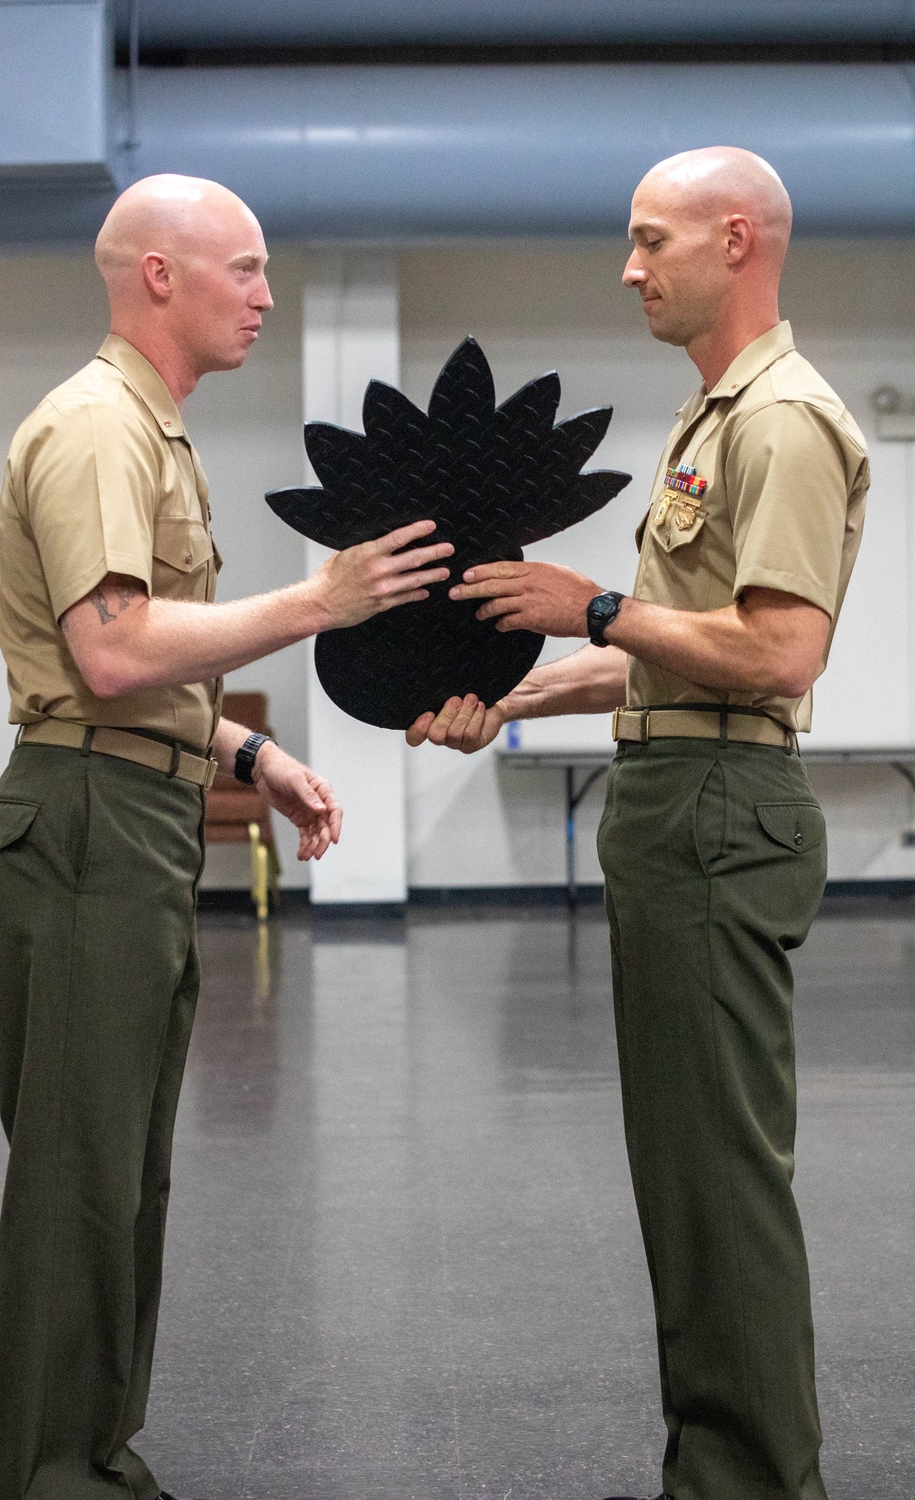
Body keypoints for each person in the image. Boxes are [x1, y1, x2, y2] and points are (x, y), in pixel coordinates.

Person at [0, 173, 453, 1500]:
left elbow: (137, 670)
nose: (266, 293)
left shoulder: (152, 434)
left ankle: (94, 1457)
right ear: (159, 276)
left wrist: (247, 752)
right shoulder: (94, 429)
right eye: (243, 268)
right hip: (81, 822)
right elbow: (112, 651)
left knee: (124, 1176)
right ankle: (51, 1474)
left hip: (130, 805)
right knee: (80, 1181)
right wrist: (321, 601)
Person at [408, 148, 869, 1500]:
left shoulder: (780, 419)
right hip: (680, 796)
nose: (628, 267)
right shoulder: (713, 416)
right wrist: (519, 694)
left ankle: (755, 1483)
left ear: (736, 239)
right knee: (687, 1179)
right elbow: (682, 647)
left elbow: (778, 653)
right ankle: (716, 1470)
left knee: (718, 1180)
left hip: (721, 809)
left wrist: (597, 605)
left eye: (648, 239)